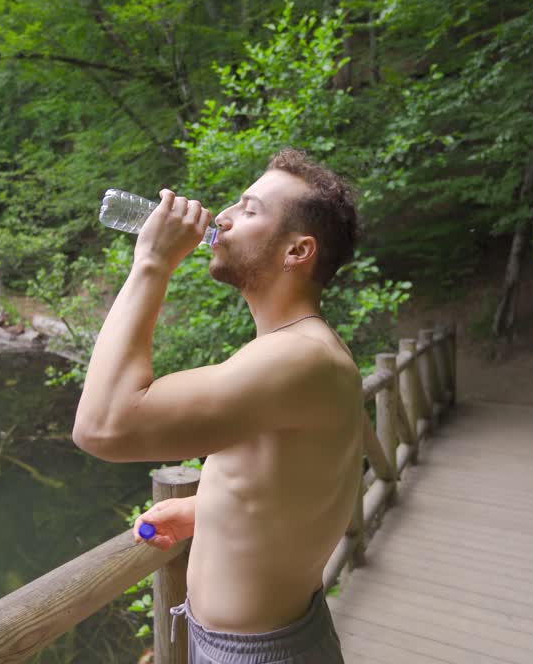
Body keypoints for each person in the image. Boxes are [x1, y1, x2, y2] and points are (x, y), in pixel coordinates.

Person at [73, 148, 363, 663]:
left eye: (249, 210)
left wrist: (152, 263)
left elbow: (101, 426)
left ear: (297, 251)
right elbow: (299, 483)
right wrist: (207, 508)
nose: (222, 217)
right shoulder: (299, 350)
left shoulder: (299, 358)